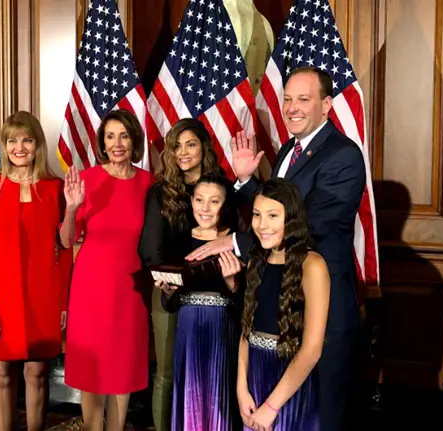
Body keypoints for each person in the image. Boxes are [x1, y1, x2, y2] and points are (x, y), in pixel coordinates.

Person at [188, 66, 366, 430]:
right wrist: (245, 180)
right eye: (287, 99)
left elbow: (307, 225)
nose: (292, 107)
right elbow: (275, 212)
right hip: (277, 304)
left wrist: (236, 241)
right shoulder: (290, 149)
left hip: (321, 308)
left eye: (303, 99)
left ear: (327, 104)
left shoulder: (343, 156)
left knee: (319, 417)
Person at [0, 111, 72, 431]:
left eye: (26, 140)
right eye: (12, 140)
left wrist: (64, 302)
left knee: (37, 373)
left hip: (43, 296)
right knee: (1, 374)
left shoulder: (55, 188)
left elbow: (65, 250)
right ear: (4, 145)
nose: (19, 147)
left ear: (38, 145)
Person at [60, 109, 154, 431]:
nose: (117, 144)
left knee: (122, 370)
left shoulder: (148, 184)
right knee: (92, 370)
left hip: (130, 289)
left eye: (124, 136)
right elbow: (66, 239)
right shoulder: (87, 180)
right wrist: (72, 209)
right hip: (91, 286)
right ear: (102, 142)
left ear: (134, 141)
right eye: (110, 136)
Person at [138, 118, 224, 431]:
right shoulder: (161, 193)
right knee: (167, 372)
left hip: (216, 294)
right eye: (176, 146)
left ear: (204, 147)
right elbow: (150, 248)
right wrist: (166, 281)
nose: (183, 152)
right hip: (170, 291)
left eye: (190, 144)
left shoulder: (220, 187)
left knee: (211, 373)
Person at [238, 178, 329, 431]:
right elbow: (246, 331)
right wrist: (241, 388)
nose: (262, 225)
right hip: (254, 377)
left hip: (289, 382)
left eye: (272, 216)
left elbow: (312, 349)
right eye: (256, 215)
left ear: (291, 217)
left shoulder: (313, 265)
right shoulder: (257, 260)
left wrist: (272, 406)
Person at [157, 174, 243, 431]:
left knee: (220, 396)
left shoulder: (235, 241)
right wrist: (169, 291)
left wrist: (232, 283)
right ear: (191, 202)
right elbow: (168, 303)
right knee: (190, 394)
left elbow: (249, 302)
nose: (205, 208)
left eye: (214, 201)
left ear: (225, 205)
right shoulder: (179, 239)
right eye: (199, 200)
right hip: (188, 329)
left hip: (222, 329)